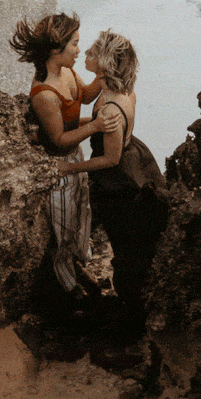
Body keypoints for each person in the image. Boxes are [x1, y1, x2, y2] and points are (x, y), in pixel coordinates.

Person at [56, 30, 168, 326]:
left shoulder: (110, 106)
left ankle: (131, 318)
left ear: (105, 63)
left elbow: (111, 158)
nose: (86, 56)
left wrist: (67, 169)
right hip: (136, 161)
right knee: (133, 250)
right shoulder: (122, 90)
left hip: (122, 181)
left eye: (92, 53)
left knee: (128, 250)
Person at [10, 13, 121, 294]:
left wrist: (103, 72)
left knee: (80, 214)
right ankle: (69, 287)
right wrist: (95, 125)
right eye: (74, 44)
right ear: (55, 50)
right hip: (57, 165)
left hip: (75, 155)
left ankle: (77, 266)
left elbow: (84, 95)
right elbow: (58, 140)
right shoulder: (45, 94)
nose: (78, 50)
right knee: (63, 224)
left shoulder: (67, 72)